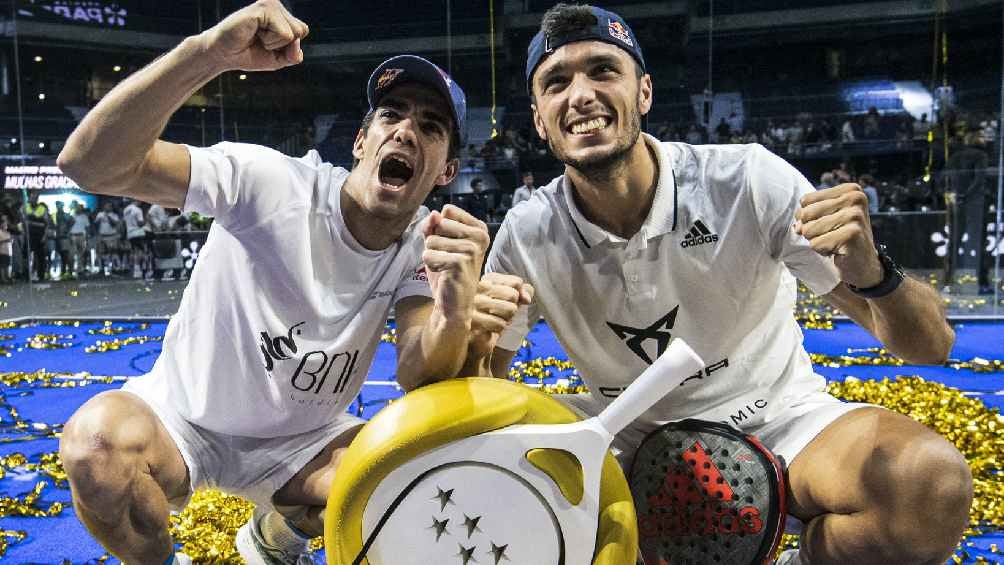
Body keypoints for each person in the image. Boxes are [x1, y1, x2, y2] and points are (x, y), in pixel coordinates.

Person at [470, 5, 970, 565]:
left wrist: (875, 273)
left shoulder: (747, 180)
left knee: (928, 486)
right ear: (540, 120)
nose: (581, 95)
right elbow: (484, 387)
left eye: (603, 70)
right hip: (623, 435)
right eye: (556, 82)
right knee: (480, 491)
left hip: (775, 418)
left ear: (644, 92)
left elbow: (931, 346)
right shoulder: (526, 231)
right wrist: (465, 329)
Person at [56, 2, 500, 564]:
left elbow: (418, 374)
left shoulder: (425, 243)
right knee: (95, 447)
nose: (407, 131)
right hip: (182, 417)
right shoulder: (269, 183)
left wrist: (455, 308)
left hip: (304, 442)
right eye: (392, 114)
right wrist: (206, 54)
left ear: (446, 172)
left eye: (431, 127)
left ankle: (275, 534)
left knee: (408, 490)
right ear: (361, 142)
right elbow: (89, 166)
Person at [943, 131, 992, 294]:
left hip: (957, 204)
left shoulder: (955, 156)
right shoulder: (981, 156)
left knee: (954, 243)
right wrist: (966, 195)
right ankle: (983, 283)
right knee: (979, 243)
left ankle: (948, 282)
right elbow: (979, 179)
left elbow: (945, 178)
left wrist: (956, 195)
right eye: (983, 137)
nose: (985, 139)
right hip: (975, 205)